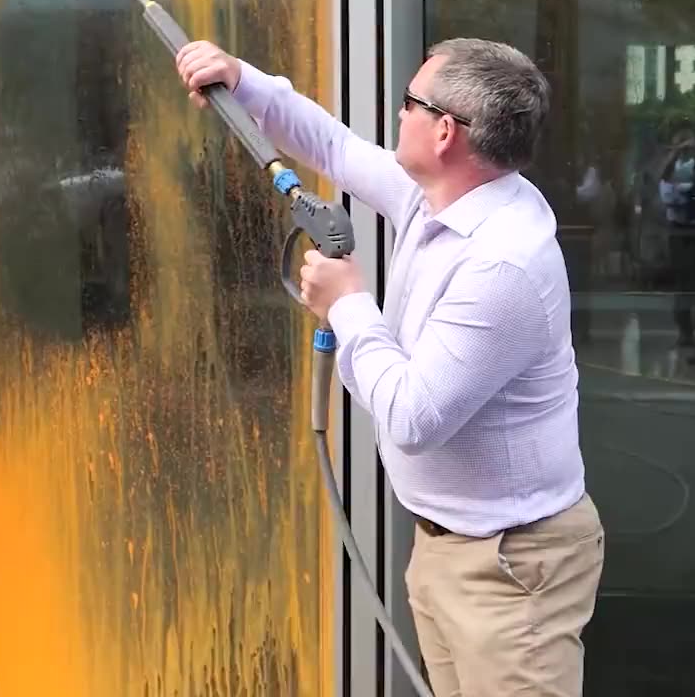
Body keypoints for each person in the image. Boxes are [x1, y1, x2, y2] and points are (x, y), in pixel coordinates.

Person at [176, 38, 604, 696]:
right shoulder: (443, 195)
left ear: (444, 132)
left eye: (409, 101)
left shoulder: (502, 264)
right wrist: (242, 80)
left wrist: (348, 306)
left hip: (512, 569)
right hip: (449, 547)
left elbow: (413, 416)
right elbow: (337, 150)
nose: (396, 112)